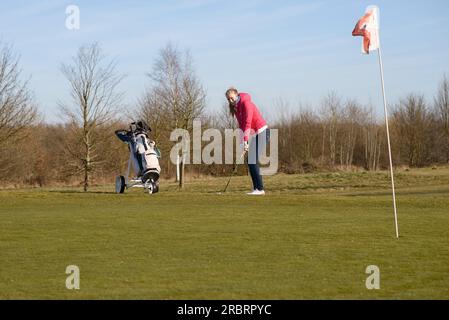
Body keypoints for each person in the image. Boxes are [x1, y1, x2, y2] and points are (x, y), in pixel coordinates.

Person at [225, 87, 269, 195]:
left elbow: (248, 123)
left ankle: (260, 189)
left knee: (252, 159)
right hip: (254, 135)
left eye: (231, 98)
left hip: (262, 132)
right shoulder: (236, 108)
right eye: (228, 99)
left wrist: (246, 141)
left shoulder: (246, 103)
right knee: (250, 161)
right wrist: (243, 143)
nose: (230, 101)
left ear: (236, 94)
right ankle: (256, 189)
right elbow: (242, 126)